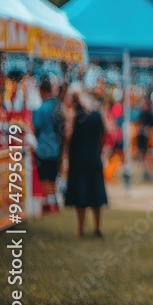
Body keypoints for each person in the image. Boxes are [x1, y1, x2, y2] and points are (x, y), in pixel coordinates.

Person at [62, 86, 108, 238]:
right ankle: (98, 227)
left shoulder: (74, 115)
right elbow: (105, 132)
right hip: (94, 157)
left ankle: (80, 229)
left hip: (78, 159)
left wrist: (65, 158)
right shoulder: (96, 113)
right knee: (96, 192)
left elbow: (68, 136)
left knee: (80, 193)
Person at [32, 79, 64, 213]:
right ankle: (52, 201)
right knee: (53, 177)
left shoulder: (41, 109)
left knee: (45, 178)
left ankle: (49, 203)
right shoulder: (58, 107)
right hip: (57, 149)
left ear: (41, 91)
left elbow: (35, 126)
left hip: (43, 149)